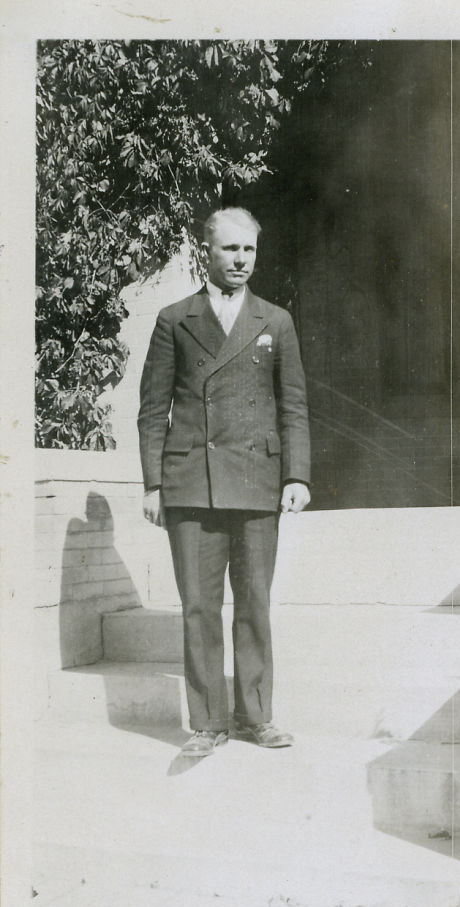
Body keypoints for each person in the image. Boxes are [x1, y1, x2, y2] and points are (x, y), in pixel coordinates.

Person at [138, 207, 311, 758]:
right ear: (206, 252)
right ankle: (208, 722)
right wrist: (153, 484)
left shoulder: (275, 320)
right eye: (230, 249)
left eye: (249, 249)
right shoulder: (174, 319)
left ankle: (256, 717)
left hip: (257, 478)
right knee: (199, 605)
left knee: (254, 602)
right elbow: (153, 410)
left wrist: (296, 475)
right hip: (192, 481)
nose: (241, 260)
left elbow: (293, 406)